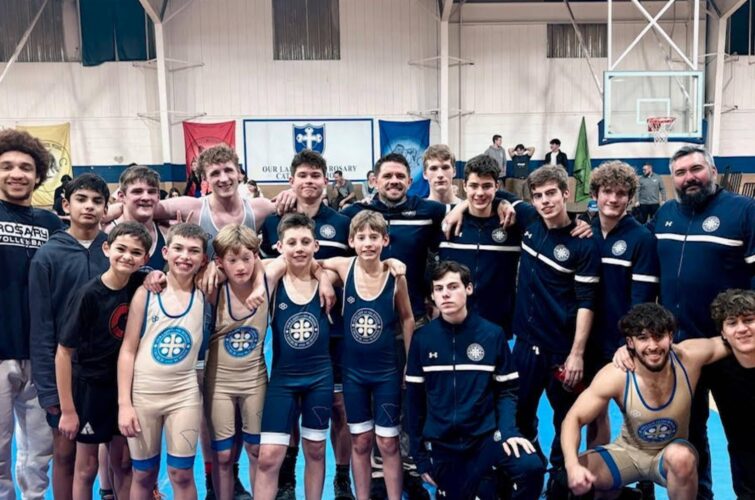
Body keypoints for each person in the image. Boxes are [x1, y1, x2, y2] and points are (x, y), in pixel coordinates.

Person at [651, 145, 755, 499]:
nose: (689, 178)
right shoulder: (665, 213)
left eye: (696, 169)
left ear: (712, 170)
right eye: (680, 173)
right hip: (682, 353)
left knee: (745, 436)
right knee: (690, 436)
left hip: (731, 351)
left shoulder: (744, 210)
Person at [406, 261, 545, 499]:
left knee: (531, 467)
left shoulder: (492, 334)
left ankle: (493, 483)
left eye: (453, 287)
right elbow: (414, 402)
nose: (445, 294)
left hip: (485, 440)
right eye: (439, 289)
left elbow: (508, 390)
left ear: (468, 289)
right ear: (433, 295)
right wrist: (419, 456)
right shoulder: (422, 340)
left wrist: (508, 431)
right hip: (443, 444)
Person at [561, 303, 731, 499]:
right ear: (630, 342)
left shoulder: (689, 358)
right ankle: (625, 496)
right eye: (643, 338)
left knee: (682, 458)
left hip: (669, 456)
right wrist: (572, 467)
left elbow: (732, 340)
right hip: (628, 452)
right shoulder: (616, 374)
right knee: (570, 479)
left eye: (659, 336)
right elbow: (573, 419)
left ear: (670, 336)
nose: (652, 346)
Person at [259, 150, 354, 500]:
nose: (309, 181)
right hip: (292, 333)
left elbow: (349, 266)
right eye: (303, 175)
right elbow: (270, 267)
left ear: (325, 180)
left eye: (316, 175)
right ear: (291, 180)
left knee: (339, 408)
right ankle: (286, 478)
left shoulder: (342, 222)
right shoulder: (273, 221)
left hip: (335, 329)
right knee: (291, 407)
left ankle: (341, 478)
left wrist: (323, 274)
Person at [510, 165, 601, 497]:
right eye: (538, 196)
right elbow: (494, 195)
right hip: (525, 346)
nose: (545, 201)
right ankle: (532, 465)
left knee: (566, 419)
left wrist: (577, 353)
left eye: (551, 193)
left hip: (562, 351)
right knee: (519, 414)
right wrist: (460, 206)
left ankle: (560, 479)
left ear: (566, 193)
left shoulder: (583, 242)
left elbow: (587, 302)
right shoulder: (528, 223)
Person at [320, 211, 415, 500]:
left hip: (386, 373)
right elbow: (312, 263)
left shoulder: (395, 276)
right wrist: (324, 280)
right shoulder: (345, 267)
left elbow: (407, 318)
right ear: (351, 241)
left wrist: (410, 362)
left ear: (385, 240)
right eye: (361, 237)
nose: (368, 243)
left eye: (374, 237)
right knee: (360, 441)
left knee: (388, 443)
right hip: (354, 375)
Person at [55, 222, 152, 499]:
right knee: (86, 468)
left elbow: (160, 275)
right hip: (91, 389)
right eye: (121, 249)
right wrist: (68, 410)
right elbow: (63, 353)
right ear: (107, 248)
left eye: (136, 252)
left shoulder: (139, 284)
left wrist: (155, 274)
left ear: (145, 258)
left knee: (123, 462)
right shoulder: (88, 294)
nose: (127, 257)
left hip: (124, 387)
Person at [30, 173, 111, 500]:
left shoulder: (114, 250)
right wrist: (48, 388)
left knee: (115, 454)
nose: (89, 206)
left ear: (106, 208)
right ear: (66, 205)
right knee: (65, 453)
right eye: (81, 199)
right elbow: (41, 326)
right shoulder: (48, 256)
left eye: (97, 201)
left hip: (109, 372)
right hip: (66, 374)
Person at [118, 223, 210, 500]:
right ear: (166, 252)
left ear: (204, 259)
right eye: (178, 249)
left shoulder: (206, 291)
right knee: (144, 475)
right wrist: (124, 404)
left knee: (181, 473)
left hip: (183, 395)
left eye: (194, 251)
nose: (185, 256)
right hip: (143, 395)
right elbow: (128, 350)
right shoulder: (146, 293)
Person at [253, 214, 336, 500]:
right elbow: (251, 265)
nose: (299, 248)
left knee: (316, 450)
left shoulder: (330, 278)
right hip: (283, 381)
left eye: (305, 242)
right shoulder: (272, 278)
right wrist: (280, 265)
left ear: (316, 245)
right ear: (279, 246)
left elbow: (349, 263)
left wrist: (322, 274)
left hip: (319, 379)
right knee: (268, 457)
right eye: (291, 243)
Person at [0, 129, 62, 499]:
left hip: (41, 354)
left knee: (39, 451)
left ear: (37, 175)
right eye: (7, 166)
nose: (16, 174)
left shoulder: (51, 224)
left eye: (25, 167)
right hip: (0, 351)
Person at [204, 224, 272, 500]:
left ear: (256, 256)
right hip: (219, 382)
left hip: (254, 380)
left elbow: (310, 264)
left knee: (256, 450)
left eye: (247, 258)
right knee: (222, 454)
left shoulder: (269, 279)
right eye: (232, 260)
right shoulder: (211, 286)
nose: (241, 266)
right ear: (220, 262)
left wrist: (260, 280)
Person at [437, 154, 522, 334]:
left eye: (487, 186)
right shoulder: (447, 221)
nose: (480, 193)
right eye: (474, 186)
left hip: (500, 327)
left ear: (497, 186)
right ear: (464, 186)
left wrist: (502, 201)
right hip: (453, 327)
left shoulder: (512, 224)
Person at [706, 289, 755, 498]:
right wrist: (627, 349)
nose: (742, 329)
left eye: (749, 320)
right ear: (723, 333)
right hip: (747, 478)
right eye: (732, 323)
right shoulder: (715, 366)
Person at [105, 165, 168, 272]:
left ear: (158, 197)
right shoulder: (106, 233)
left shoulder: (166, 234)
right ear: (121, 196)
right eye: (137, 191)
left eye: (151, 192)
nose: (146, 197)